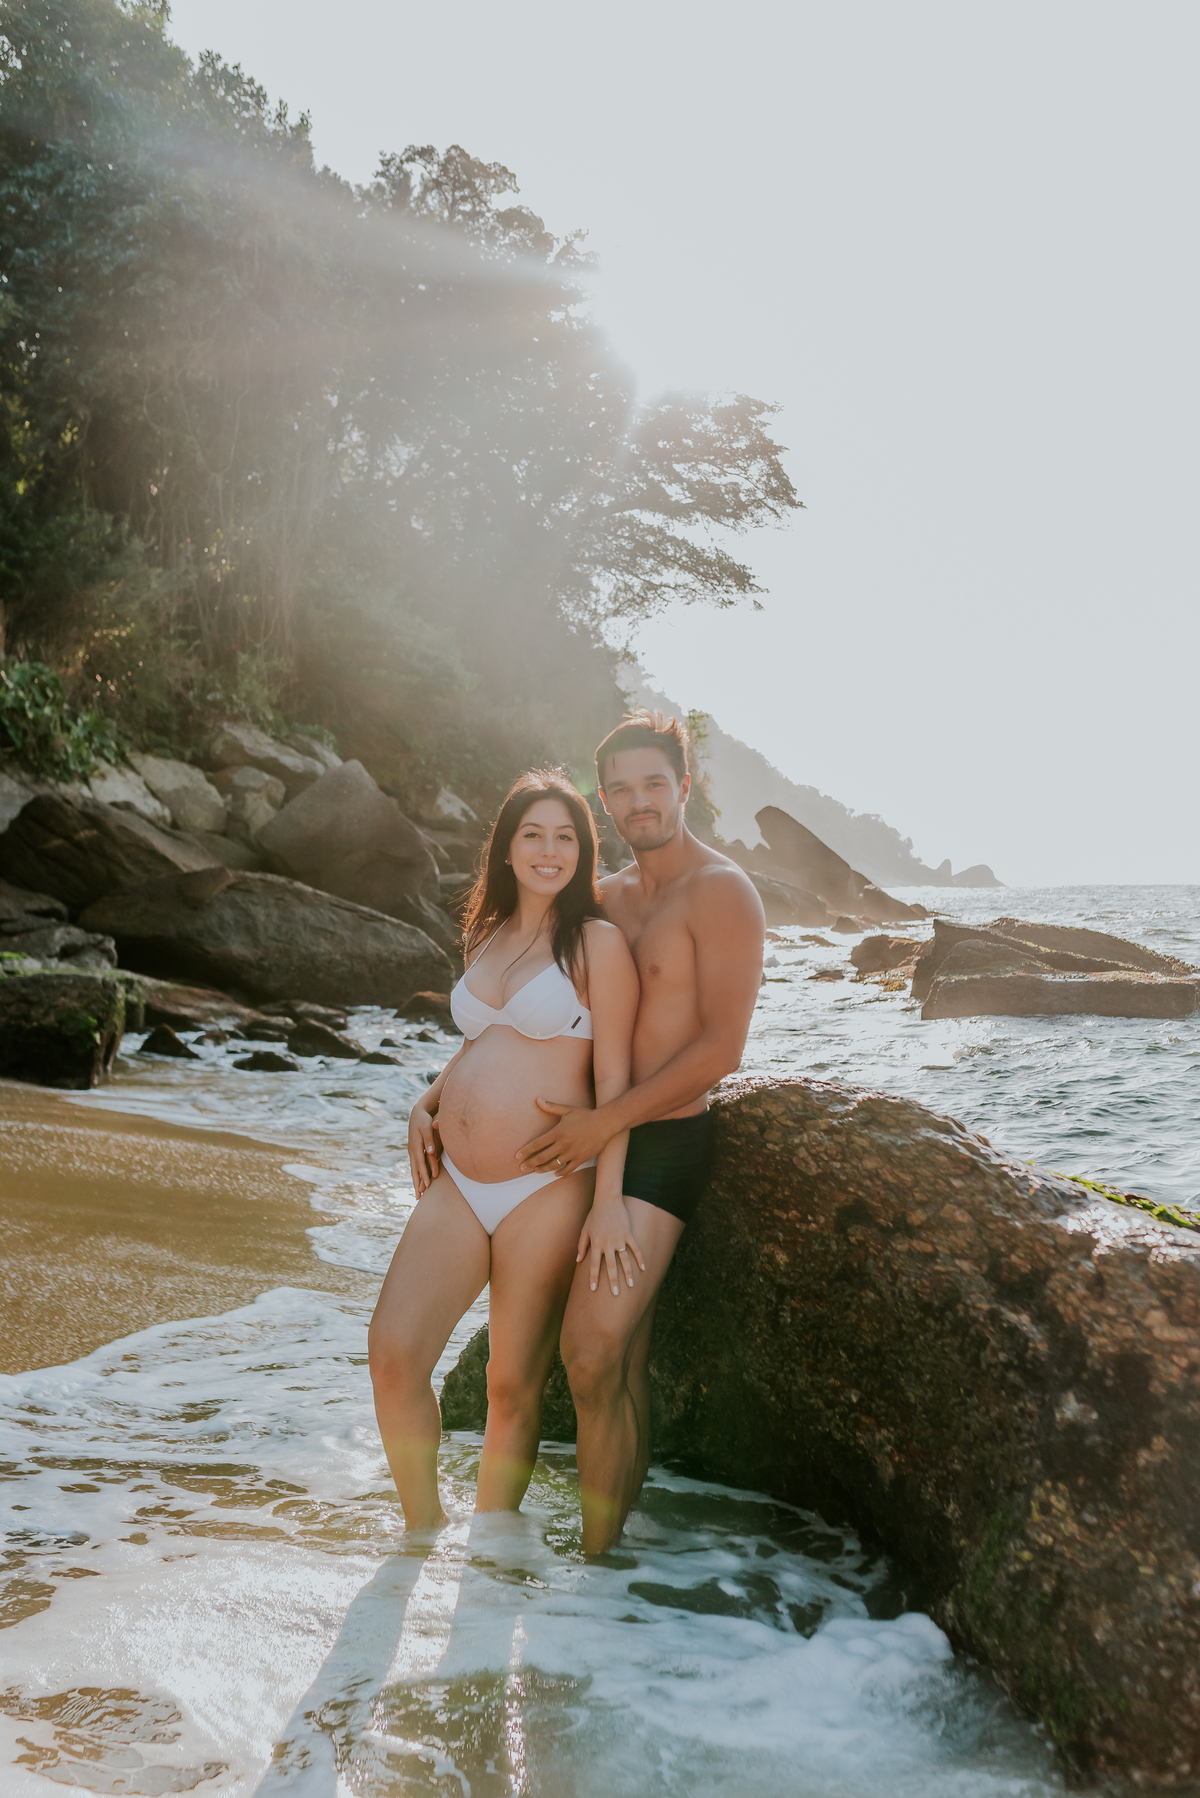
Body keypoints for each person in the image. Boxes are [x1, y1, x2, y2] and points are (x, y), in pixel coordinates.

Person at [515, 714, 765, 1552]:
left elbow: (721, 1048)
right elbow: (524, 995)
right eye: (618, 788)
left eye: (653, 784)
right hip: (591, 1141)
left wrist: (604, 1128)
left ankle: (596, 1564)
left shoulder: (723, 892)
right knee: (616, 1360)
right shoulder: (608, 898)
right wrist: (437, 1095)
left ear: (684, 787)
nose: (636, 802)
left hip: (662, 1146)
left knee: (588, 1353)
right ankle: (610, 1553)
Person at [368, 770, 640, 1531]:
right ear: (508, 847)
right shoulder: (485, 934)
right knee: (392, 1355)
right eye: (533, 834)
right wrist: (425, 1103)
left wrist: (610, 1200)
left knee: (509, 1385)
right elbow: (477, 1048)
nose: (549, 851)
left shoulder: (596, 943)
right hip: (457, 1182)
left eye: (566, 837)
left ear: (583, 852)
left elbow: (617, 1081)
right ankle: (420, 1537)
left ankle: (485, 1568)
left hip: (547, 1185)